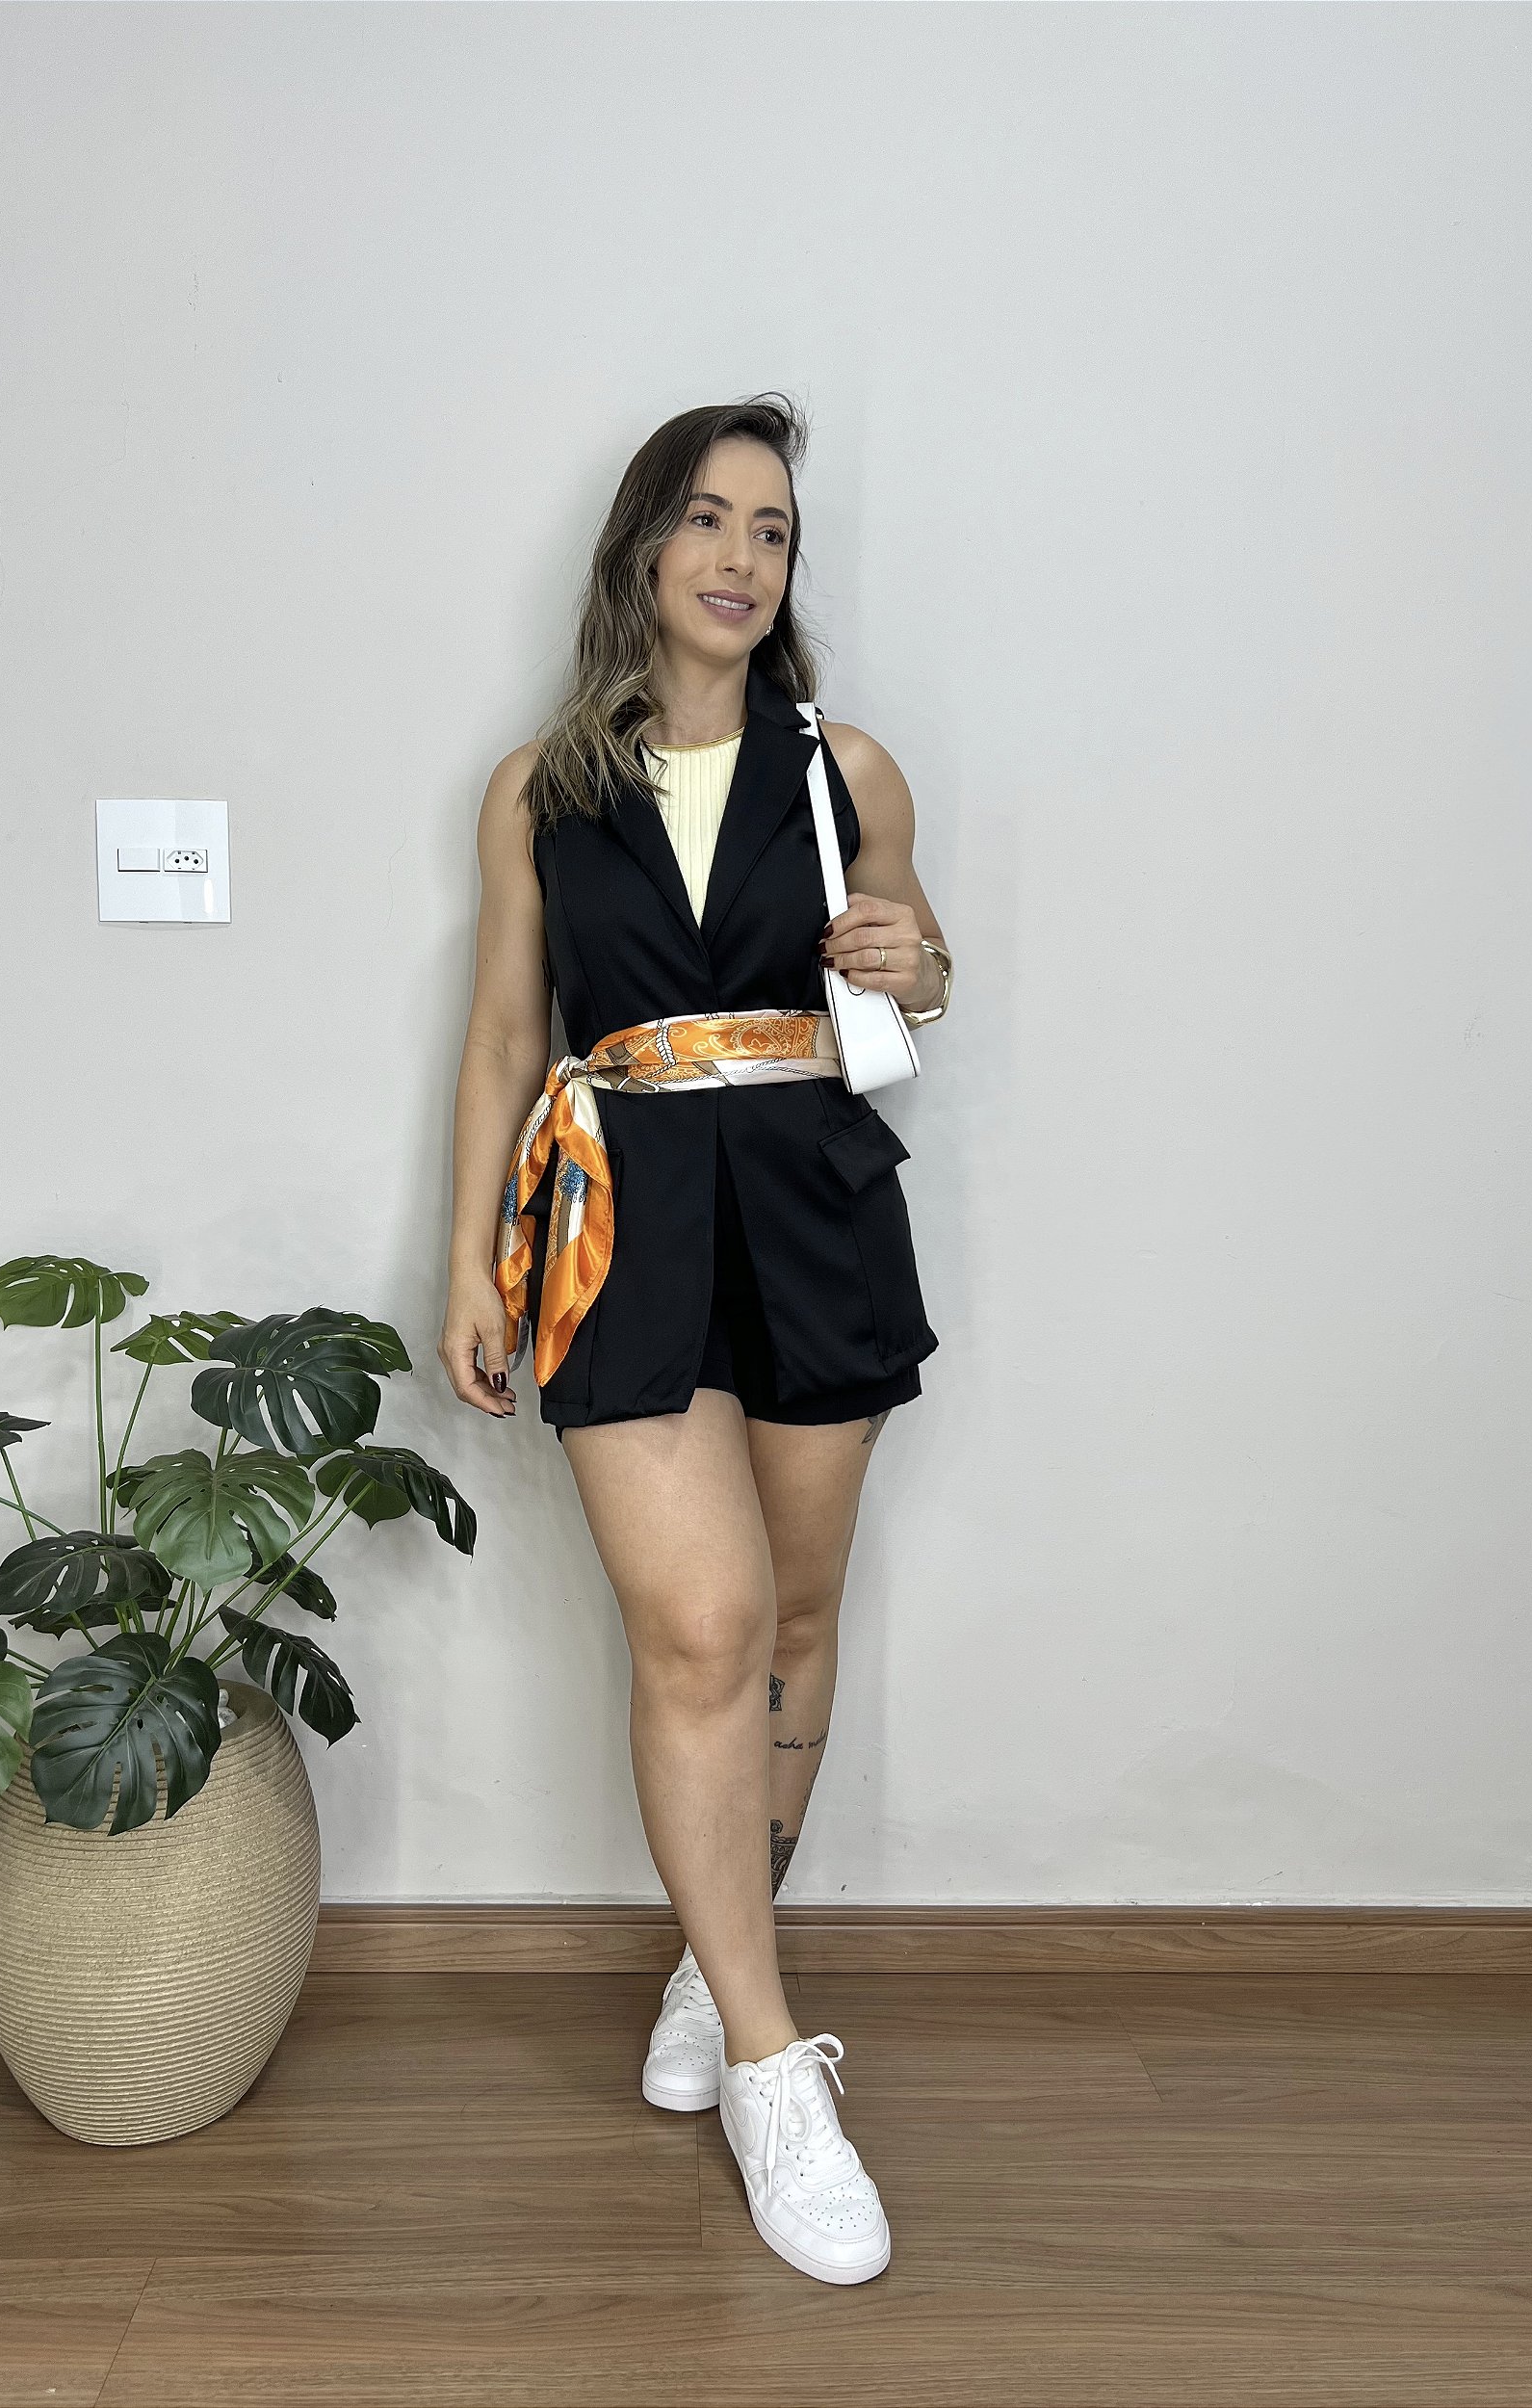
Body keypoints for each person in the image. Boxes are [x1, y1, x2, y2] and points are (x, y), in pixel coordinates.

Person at [438, 394, 952, 2287]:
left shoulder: (845, 766)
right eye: (710, 519)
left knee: (795, 1621)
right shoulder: (536, 787)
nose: (742, 557)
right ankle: (766, 2064)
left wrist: (917, 960)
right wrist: (469, 1259)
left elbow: (918, 965)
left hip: (812, 1204)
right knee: (704, 1627)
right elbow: (509, 1033)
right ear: (643, 544)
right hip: (617, 1218)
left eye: (774, 529)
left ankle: (712, 1956)